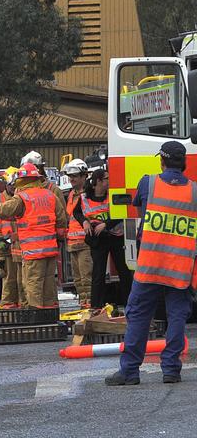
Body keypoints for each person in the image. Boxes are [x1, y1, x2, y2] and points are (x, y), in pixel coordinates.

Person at [105, 141, 195, 386]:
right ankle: (171, 370)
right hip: (179, 268)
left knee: (139, 315)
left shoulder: (149, 183)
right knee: (176, 316)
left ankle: (130, 371)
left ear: (162, 161)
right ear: (184, 163)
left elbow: (137, 205)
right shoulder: (194, 192)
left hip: (150, 265)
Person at [0, 162, 68, 308]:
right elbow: (62, 220)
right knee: (48, 284)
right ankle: (49, 317)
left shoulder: (22, 198)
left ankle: (37, 316)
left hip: (32, 251)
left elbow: (3, 211)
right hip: (50, 250)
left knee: (32, 284)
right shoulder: (50, 195)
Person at [76, 164, 131, 308]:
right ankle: (96, 307)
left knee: (123, 271)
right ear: (99, 181)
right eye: (107, 178)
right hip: (98, 239)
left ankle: (130, 304)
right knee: (98, 273)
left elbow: (122, 213)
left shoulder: (112, 195)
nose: (110, 180)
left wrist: (105, 224)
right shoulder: (84, 197)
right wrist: (84, 223)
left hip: (115, 236)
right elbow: (76, 213)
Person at [0, 170, 25, 308]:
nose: (13, 188)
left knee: (22, 279)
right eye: (11, 185)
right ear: (5, 185)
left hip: (21, 246)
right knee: (8, 277)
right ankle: (9, 304)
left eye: (15, 185)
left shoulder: (22, 198)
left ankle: (22, 304)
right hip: (6, 246)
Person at [62, 159, 92, 307]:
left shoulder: (88, 193)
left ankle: (90, 304)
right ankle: (83, 303)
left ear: (84, 176)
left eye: (75, 176)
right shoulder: (71, 194)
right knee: (78, 279)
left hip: (86, 242)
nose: (71, 179)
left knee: (87, 278)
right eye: (70, 176)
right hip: (73, 243)